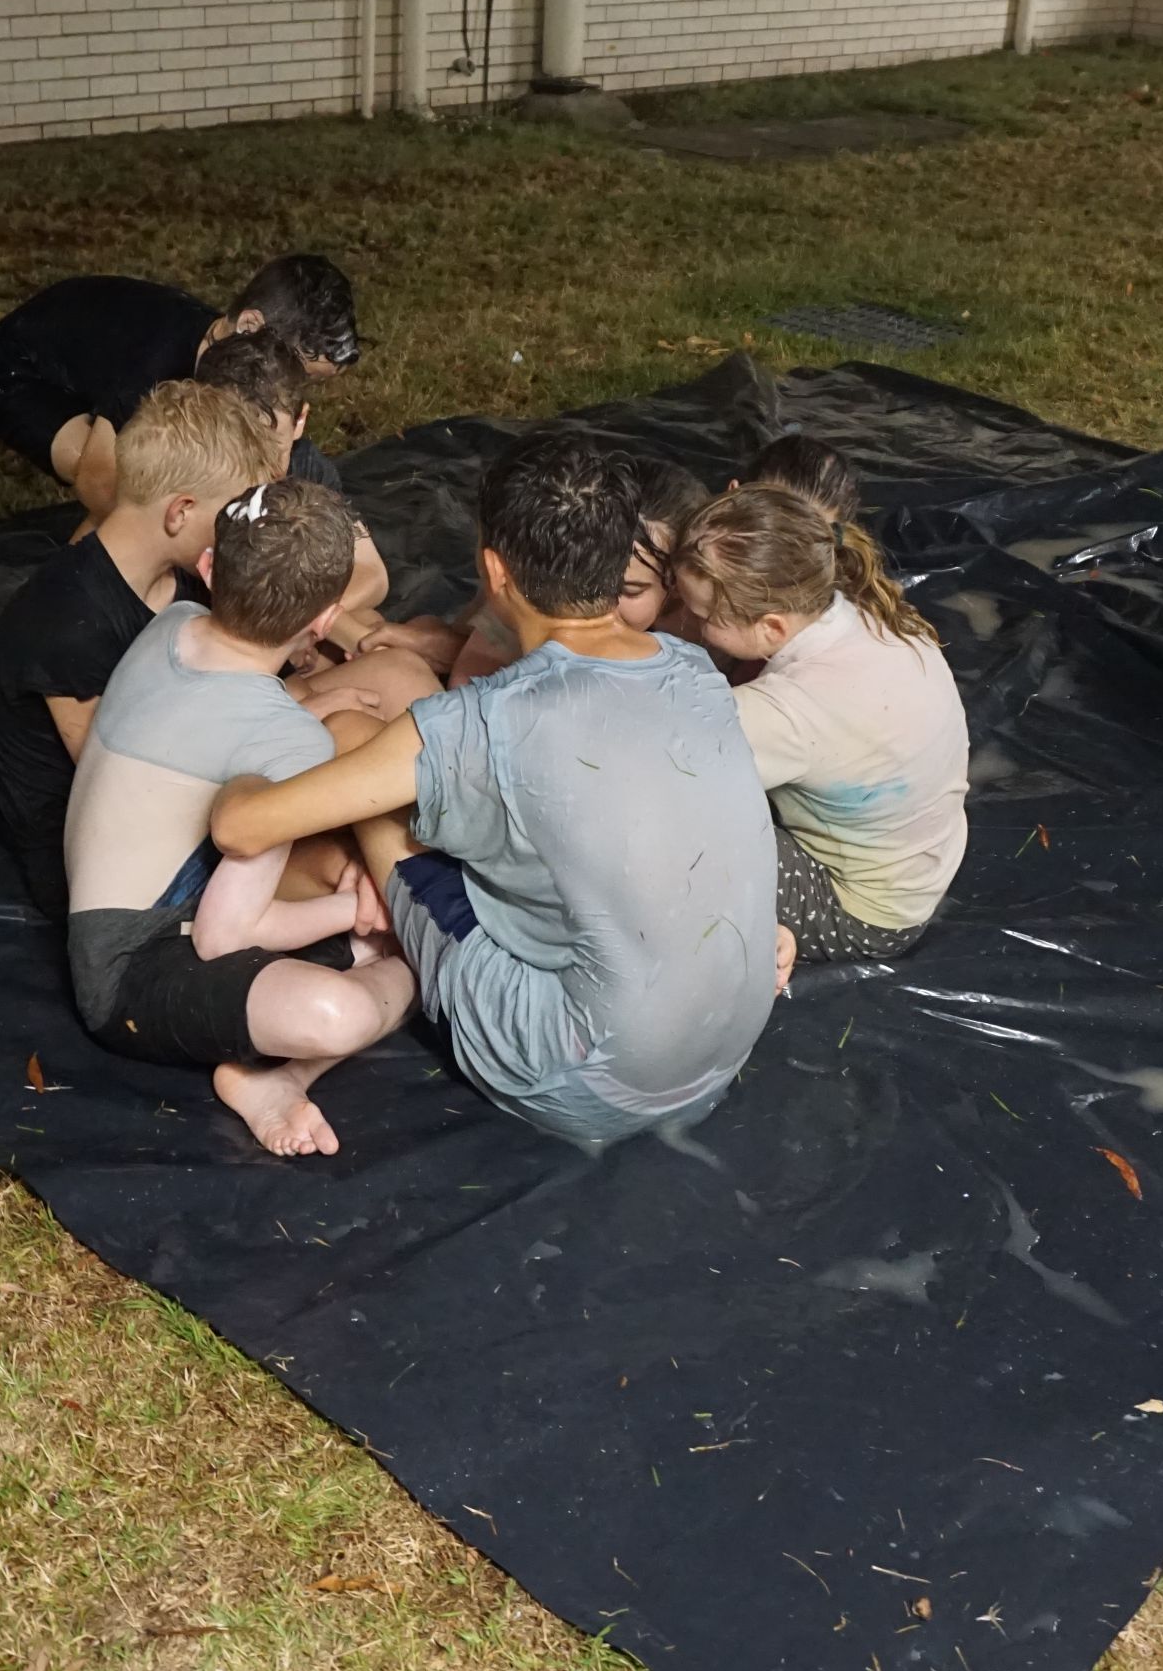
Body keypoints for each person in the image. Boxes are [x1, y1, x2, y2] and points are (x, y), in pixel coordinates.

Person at [210, 435, 779, 1148]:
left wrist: (251, 742)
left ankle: (348, 941)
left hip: (578, 1079)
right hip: (722, 1053)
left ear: (494, 571)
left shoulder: (483, 725)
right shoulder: (695, 671)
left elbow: (241, 826)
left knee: (354, 736)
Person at [63, 478, 418, 1158]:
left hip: (120, 918)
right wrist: (358, 911)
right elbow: (223, 938)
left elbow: (214, 724)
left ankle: (325, 1007)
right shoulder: (284, 743)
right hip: (132, 977)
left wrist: (309, 714)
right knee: (346, 1006)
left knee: (343, 874)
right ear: (326, 619)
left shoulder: (170, 626)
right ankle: (389, 986)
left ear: (207, 566)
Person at [0, 379, 279, 914]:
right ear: (180, 511)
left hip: (179, 783)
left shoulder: (182, 579)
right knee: (319, 841)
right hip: (103, 864)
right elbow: (124, 791)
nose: (242, 535)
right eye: (231, 517)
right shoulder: (66, 624)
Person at [670, 478, 969, 963]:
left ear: (771, 627)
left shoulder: (787, 711)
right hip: (922, 866)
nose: (691, 623)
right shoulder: (875, 612)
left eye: (704, 616)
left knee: (667, 835)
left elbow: (662, 772)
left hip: (864, 916)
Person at [0, 254, 360, 516]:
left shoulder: (232, 348)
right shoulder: (153, 366)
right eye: (295, 372)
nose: (292, 391)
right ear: (249, 326)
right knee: (132, 489)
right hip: (20, 370)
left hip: (98, 354)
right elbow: (98, 483)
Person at [372, 450, 706, 688]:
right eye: (591, 576)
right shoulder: (556, 592)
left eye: (628, 590)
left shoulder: (706, 631)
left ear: (680, 584)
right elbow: (470, 678)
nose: (599, 603)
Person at [193, 328, 389, 629]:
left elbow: (372, 575)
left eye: (271, 450)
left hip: (277, 626)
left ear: (300, 421)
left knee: (370, 625)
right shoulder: (189, 479)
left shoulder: (306, 468)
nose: (255, 470)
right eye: (236, 449)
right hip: (213, 629)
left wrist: (294, 627)